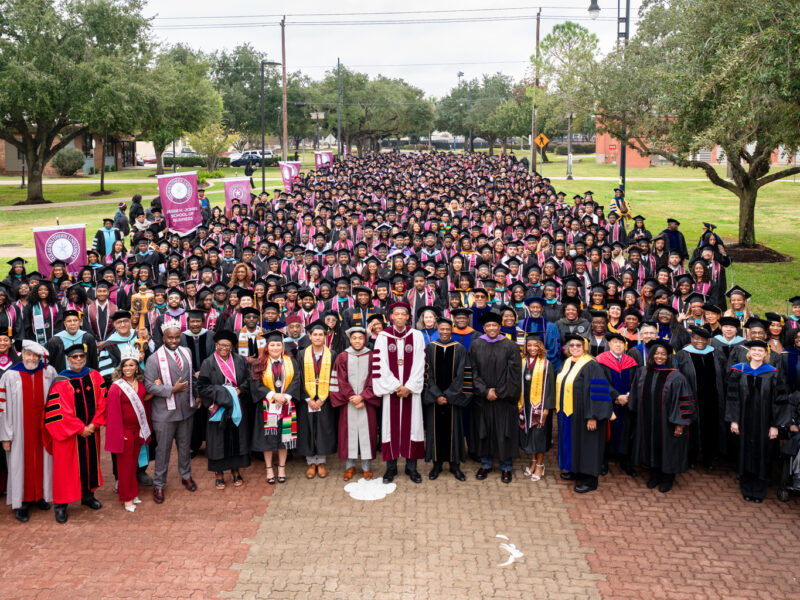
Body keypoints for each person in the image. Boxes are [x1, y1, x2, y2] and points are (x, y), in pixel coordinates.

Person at [43, 343, 107, 523]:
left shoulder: (94, 376)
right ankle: (61, 505)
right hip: (69, 436)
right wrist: (81, 428)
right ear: (68, 359)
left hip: (91, 432)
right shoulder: (61, 381)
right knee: (65, 470)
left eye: (81, 356)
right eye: (74, 357)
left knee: (90, 464)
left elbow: (103, 401)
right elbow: (58, 411)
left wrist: (94, 424)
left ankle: (88, 496)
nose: (78, 360)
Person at [0, 340, 58, 522]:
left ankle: (40, 495)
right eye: (28, 355)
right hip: (18, 431)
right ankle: (21, 503)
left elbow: (57, 401)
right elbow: (3, 408)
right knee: (19, 465)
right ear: (22, 355)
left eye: (35, 356)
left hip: (44, 430)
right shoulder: (10, 375)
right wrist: (5, 436)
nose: (32, 358)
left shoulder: (49, 372)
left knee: (44, 462)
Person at [627, 339, 696, 493]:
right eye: (656, 353)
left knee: (668, 449)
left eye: (663, 354)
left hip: (667, 423)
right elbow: (635, 396)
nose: (659, 357)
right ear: (651, 355)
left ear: (667, 357)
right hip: (647, 420)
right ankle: (655, 475)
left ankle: (668, 478)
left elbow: (684, 402)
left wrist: (680, 424)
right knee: (649, 446)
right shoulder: (642, 372)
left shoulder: (676, 377)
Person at [725, 340, 788, 503]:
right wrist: (734, 420)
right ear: (749, 352)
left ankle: (759, 490)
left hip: (765, 422)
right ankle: (746, 487)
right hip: (744, 421)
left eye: (761, 351)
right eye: (754, 350)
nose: (757, 353)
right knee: (744, 452)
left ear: (766, 354)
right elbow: (733, 397)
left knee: (763, 453)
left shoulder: (773, 373)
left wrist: (775, 426)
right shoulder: (739, 371)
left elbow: (779, 400)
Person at [371, 302, 426, 483]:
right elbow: (380, 364)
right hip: (391, 391)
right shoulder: (383, 337)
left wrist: (409, 386)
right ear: (392, 316)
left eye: (404, 314)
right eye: (397, 314)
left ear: (408, 316)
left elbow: (420, 363)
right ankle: (391, 468)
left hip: (411, 391)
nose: (400, 317)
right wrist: (396, 386)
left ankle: (412, 468)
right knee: (389, 429)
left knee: (414, 428)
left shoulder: (416, 336)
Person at [144, 319, 197, 504]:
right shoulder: (153, 359)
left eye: (176, 337)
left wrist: (196, 396)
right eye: (170, 338)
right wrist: (170, 390)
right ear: (163, 337)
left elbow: (192, 377)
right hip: (164, 413)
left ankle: (186, 475)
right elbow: (149, 386)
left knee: (185, 447)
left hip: (185, 410)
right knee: (163, 450)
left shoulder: (187, 352)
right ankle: (159, 484)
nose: (174, 341)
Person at [555, 333, 614, 493]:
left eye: (578, 345)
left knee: (588, 445)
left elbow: (598, 392)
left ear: (585, 347)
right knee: (574, 443)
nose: (574, 348)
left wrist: (592, 417)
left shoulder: (592, 365)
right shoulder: (567, 362)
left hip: (586, 414)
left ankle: (590, 480)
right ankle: (575, 470)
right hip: (570, 414)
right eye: (571, 345)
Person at [469, 311, 522, 484]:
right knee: (484, 431)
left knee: (504, 432)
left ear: (500, 327)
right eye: (488, 326)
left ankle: (506, 466)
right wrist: (485, 391)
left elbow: (514, 374)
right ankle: (486, 464)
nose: (492, 328)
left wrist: (498, 392)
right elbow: (472, 371)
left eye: (495, 325)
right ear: (484, 328)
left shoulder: (510, 346)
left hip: (504, 399)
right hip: (483, 399)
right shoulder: (476, 345)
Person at [197, 330, 252, 490]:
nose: (224, 348)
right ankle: (219, 474)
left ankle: (236, 471)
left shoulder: (240, 360)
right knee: (218, 440)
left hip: (237, 406)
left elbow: (249, 380)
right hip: (217, 407)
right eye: (221, 345)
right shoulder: (208, 363)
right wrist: (224, 394)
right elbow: (203, 386)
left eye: (228, 346)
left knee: (236, 437)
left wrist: (240, 390)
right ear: (216, 345)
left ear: (232, 346)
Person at [251, 330, 303, 485]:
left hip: (286, 405)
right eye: (272, 345)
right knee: (268, 439)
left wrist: (285, 397)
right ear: (267, 346)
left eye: (278, 345)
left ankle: (281, 468)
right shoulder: (259, 363)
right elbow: (255, 384)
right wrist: (273, 396)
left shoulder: (291, 361)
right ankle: (268, 468)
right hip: (267, 406)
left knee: (284, 438)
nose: (275, 348)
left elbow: (296, 380)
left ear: (282, 346)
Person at [423, 317, 471, 481]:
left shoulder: (460, 349)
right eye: (441, 329)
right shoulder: (430, 348)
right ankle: (436, 464)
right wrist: (437, 395)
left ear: (452, 330)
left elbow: (462, 375)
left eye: (447, 329)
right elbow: (426, 373)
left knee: (455, 431)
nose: (444, 332)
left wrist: (449, 395)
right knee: (435, 431)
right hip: (435, 400)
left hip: (453, 400)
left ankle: (455, 465)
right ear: (438, 330)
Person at [330, 326, 380, 480]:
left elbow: (375, 379)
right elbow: (340, 380)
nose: (357, 341)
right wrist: (353, 397)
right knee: (348, 434)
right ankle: (349, 466)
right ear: (349, 339)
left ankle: (366, 466)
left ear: (365, 339)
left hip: (367, 403)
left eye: (360, 338)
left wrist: (364, 397)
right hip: (348, 403)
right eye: (354, 338)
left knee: (368, 433)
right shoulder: (342, 357)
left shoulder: (373, 357)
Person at [104, 349, 150, 512]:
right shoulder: (116, 388)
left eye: (131, 365)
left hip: (138, 429)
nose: (128, 368)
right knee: (124, 466)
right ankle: (126, 498)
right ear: (121, 368)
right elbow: (113, 414)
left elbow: (143, 402)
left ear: (137, 367)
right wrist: (119, 434)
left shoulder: (141, 383)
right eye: (125, 366)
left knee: (133, 464)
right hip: (124, 431)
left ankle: (133, 492)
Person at [675, 326, 726, 470]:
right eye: (696, 338)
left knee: (711, 427)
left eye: (703, 339)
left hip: (713, 400)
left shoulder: (716, 354)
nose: (700, 342)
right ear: (691, 339)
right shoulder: (682, 355)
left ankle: (708, 458)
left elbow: (723, 375)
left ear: (708, 340)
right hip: (692, 399)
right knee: (692, 427)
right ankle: (691, 457)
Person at [296, 321, 338, 479]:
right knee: (308, 428)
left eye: (321, 334)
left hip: (324, 399)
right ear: (309, 336)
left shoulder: (332, 354)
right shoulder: (301, 354)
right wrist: (308, 398)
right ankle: (310, 462)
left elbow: (335, 378)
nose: (318, 337)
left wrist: (323, 398)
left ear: (325, 336)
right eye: (315, 335)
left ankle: (321, 461)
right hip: (307, 398)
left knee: (323, 429)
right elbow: (298, 378)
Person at [596, 332, 639, 477]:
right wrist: (615, 396)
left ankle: (625, 461)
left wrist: (627, 396)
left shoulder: (630, 362)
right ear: (609, 344)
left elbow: (636, 382)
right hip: (608, 403)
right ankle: (603, 461)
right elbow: (600, 382)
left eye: (621, 343)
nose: (618, 345)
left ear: (625, 345)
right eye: (615, 342)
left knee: (626, 430)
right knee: (606, 431)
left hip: (627, 403)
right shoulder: (600, 361)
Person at [518, 332, 556, 483]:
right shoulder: (522, 362)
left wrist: (546, 409)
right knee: (529, 435)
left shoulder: (547, 365)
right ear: (526, 347)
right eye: (529, 345)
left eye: (535, 345)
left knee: (539, 436)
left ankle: (540, 465)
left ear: (540, 347)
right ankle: (533, 461)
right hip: (525, 406)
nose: (532, 348)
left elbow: (551, 389)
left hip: (540, 407)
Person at [45, 309, 99, 373]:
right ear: (65, 324)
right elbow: (50, 362)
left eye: (75, 320)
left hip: (85, 376)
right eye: (69, 321)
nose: (72, 323)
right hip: (63, 378)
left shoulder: (88, 338)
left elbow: (94, 360)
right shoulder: (55, 341)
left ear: (79, 322)